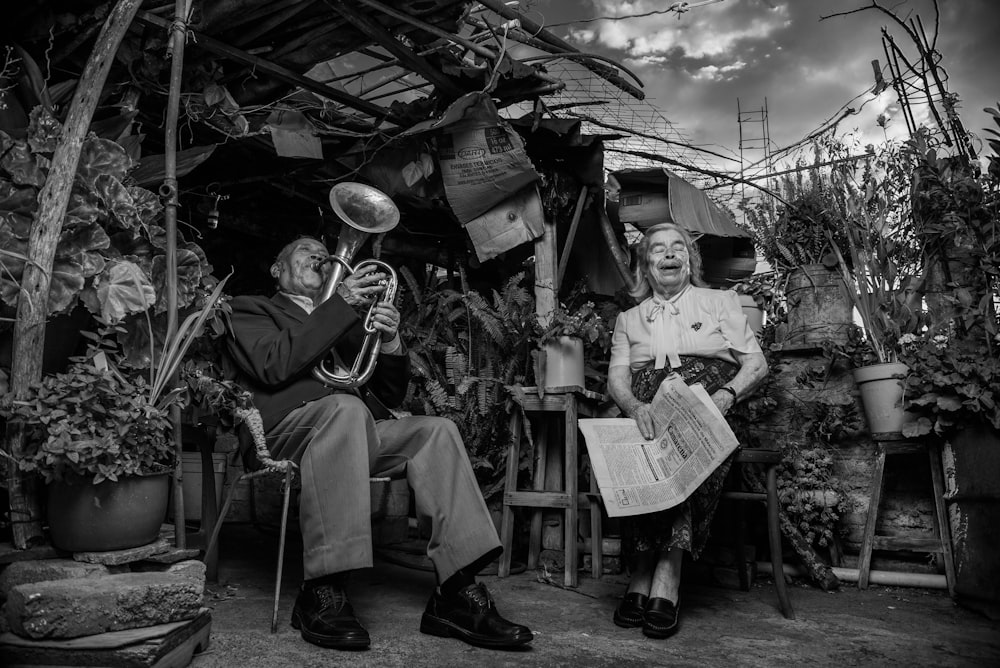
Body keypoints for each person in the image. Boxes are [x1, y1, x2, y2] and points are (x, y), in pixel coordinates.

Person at [226, 236, 533, 651]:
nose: (319, 255)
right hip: (284, 434)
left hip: (351, 429)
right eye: (303, 250)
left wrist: (389, 340)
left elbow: (388, 394)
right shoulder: (250, 309)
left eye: (323, 250)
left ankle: (456, 592)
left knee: (436, 431)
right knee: (345, 411)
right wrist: (339, 306)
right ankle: (323, 589)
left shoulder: (344, 319)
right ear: (277, 270)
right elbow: (272, 363)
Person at [606, 223, 767, 639]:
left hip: (710, 403)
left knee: (683, 443)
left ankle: (664, 570)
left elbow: (756, 364)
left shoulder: (720, 301)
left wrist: (726, 396)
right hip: (649, 412)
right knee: (649, 450)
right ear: (646, 264)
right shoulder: (628, 320)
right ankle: (645, 565)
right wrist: (635, 406)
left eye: (678, 247)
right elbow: (618, 381)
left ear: (690, 261)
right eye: (658, 250)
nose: (669, 254)